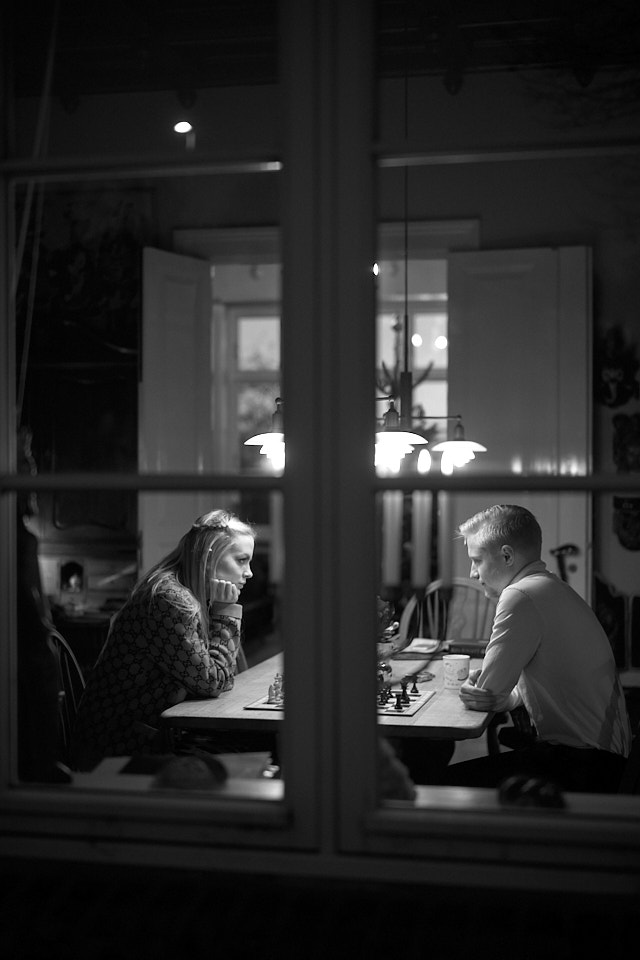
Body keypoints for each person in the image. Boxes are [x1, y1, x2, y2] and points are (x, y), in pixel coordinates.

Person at [443, 504, 631, 794]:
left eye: (477, 561)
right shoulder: (550, 587)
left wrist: (485, 692)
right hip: (609, 761)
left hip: (583, 767)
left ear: (506, 555)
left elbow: (487, 693)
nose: (472, 573)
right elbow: (510, 692)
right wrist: (499, 697)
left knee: (439, 785)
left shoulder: (520, 596)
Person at [70, 510, 256, 771]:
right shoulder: (170, 600)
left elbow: (232, 674)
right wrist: (226, 613)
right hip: (119, 747)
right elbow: (213, 682)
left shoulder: (189, 593)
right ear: (208, 557)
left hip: (154, 733)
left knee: (246, 745)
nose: (249, 573)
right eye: (241, 560)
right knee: (248, 751)